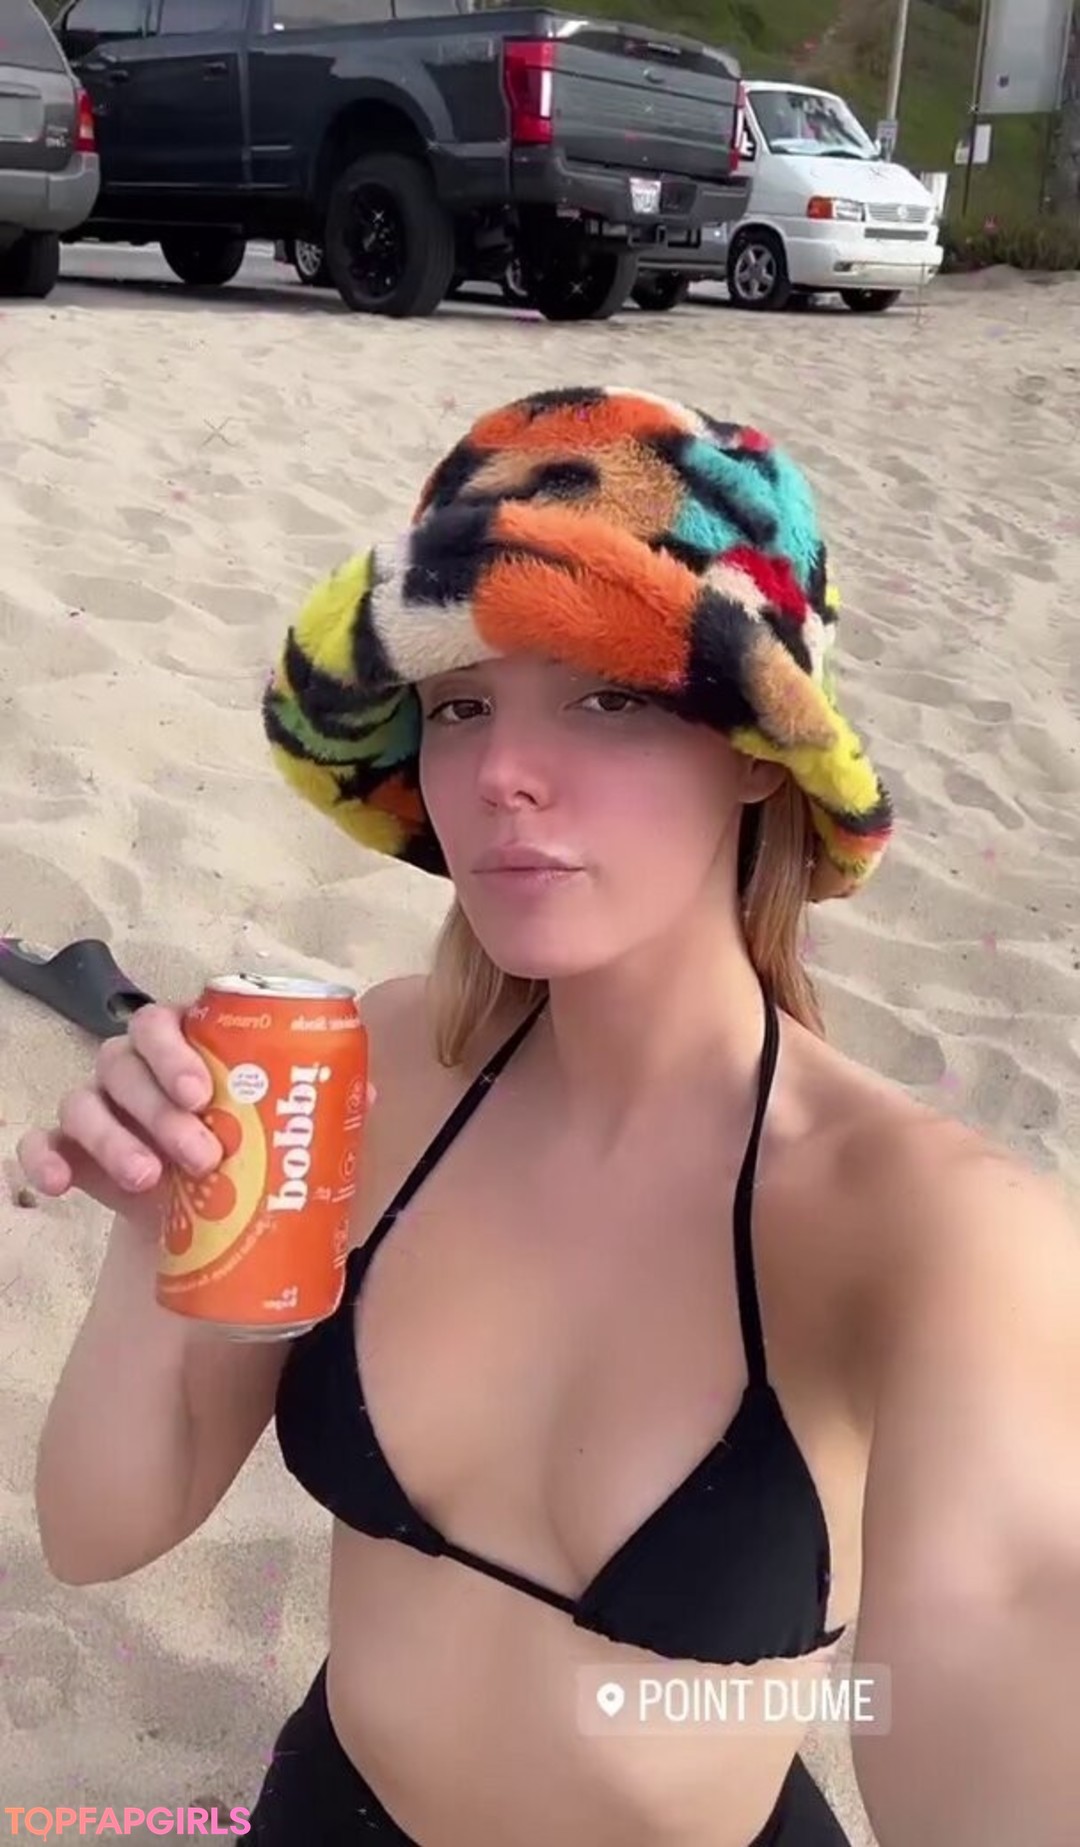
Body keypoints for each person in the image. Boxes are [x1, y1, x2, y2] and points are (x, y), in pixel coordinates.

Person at [20, 387, 1080, 1847]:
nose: (501, 775)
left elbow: (1002, 1617)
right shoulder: (382, 1068)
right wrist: (157, 1233)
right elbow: (97, 1534)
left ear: (757, 750)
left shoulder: (931, 1229)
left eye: (608, 696)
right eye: (461, 705)